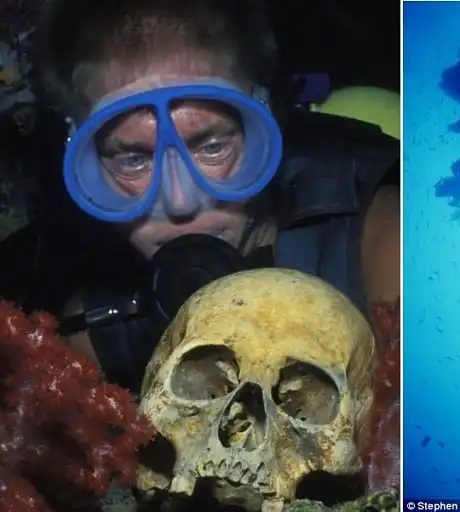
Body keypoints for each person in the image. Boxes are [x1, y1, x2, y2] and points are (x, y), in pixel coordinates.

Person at [23, 0, 400, 392]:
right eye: (134, 159)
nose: (182, 203)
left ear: (265, 127)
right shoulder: (92, 341)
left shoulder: (385, 247)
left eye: (213, 146)